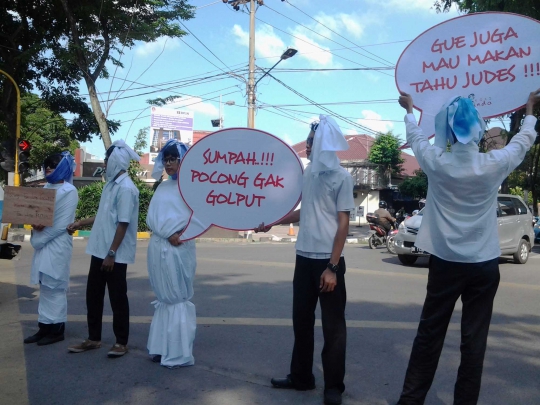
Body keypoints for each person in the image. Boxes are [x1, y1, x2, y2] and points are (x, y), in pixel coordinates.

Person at [396, 88, 540, 405]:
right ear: (477, 130)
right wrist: (529, 111)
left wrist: (409, 109)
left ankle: (410, 400)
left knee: (429, 335)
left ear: (446, 131)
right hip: (484, 266)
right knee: (473, 343)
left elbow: (417, 138)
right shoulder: (493, 164)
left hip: (445, 264)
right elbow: (522, 144)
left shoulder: (436, 160)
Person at [256, 116, 355, 405]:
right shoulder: (309, 172)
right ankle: (301, 378)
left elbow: (343, 223)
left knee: (333, 329)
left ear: (323, 142)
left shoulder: (342, 177)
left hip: (328, 262)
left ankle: (334, 386)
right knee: (301, 321)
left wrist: (333, 268)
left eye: (311, 142)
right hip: (304, 258)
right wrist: (271, 223)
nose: (308, 146)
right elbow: (303, 212)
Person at [67, 140, 140, 358]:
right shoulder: (110, 185)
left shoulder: (127, 189)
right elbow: (104, 216)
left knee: (118, 298)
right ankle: (93, 338)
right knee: (94, 296)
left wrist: (111, 253)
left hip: (113, 255)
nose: (105, 163)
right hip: (99, 251)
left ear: (115, 161)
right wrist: (80, 223)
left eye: (107, 159)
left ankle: (121, 342)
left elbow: (123, 223)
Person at [146, 139, 197, 368]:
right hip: (159, 246)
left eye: (172, 159)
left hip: (179, 247)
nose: (168, 163)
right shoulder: (163, 187)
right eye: (165, 159)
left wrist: (180, 235)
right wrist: (164, 233)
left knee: (176, 296)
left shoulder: (192, 186)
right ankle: (160, 346)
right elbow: (153, 218)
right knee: (164, 296)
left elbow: (199, 218)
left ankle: (176, 351)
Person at [24, 152, 78, 346]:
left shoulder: (69, 190)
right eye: (46, 164)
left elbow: (61, 223)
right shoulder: (45, 188)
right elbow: (37, 215)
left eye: (53, 164)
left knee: (55, 287)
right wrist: (34, 224)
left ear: (63, 167)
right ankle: (44, 327)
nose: (48, 168)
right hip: (43, 243)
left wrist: (40, 232)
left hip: (57, 244)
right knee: (45, 287)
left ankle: (57, 329)